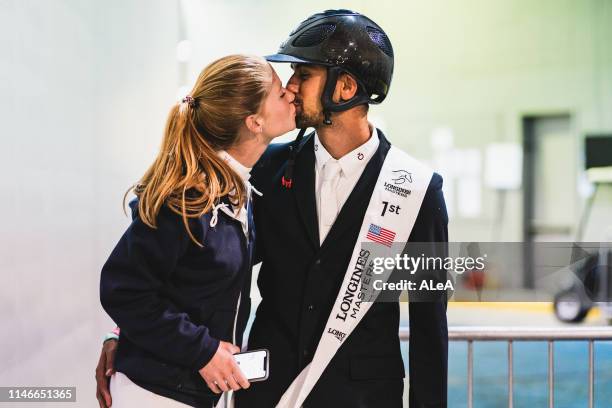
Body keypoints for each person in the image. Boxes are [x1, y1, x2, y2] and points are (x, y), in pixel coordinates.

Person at [97, 10, 448, 408]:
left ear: (346, 87)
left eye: (305, 74)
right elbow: (194, 270)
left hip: (362, 396)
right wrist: (124, 333)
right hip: (267, 391)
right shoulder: (263, 168)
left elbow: (428, 326)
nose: (292, 87)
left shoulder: (418, 191)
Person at [97, 54, 296, 407]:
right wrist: (202, 351)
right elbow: (125, 290)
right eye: (280, 93)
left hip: (191, 392)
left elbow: (175, 284)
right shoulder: (188, 198)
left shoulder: (237, 190)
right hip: (155, 392)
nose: (292, 94)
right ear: (254, 121)